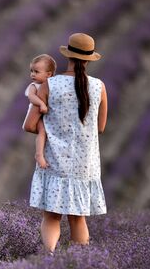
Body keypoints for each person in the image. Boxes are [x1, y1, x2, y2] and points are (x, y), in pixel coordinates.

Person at [29, 32, 108, 256]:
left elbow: (29, 125)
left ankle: (49, 257)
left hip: (55, 159)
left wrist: (50, 127)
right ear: (88, 58)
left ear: (69, 56)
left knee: (52, 215)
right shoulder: (99, 86)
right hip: (86, 162)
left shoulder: (50, 85)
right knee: (78, 217)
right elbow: (100, 127)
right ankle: (80, 264)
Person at [25, 54, 57, 169]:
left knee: (48, 132)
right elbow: (31, 97)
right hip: (36, 114)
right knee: (42, 131)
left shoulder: (51, 85)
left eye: (36, 72)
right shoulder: (34, 85)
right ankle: (39, 154)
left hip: (45, 115)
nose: (32, 74)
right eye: (31, 71)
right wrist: (41, 103)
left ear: (48, 74)